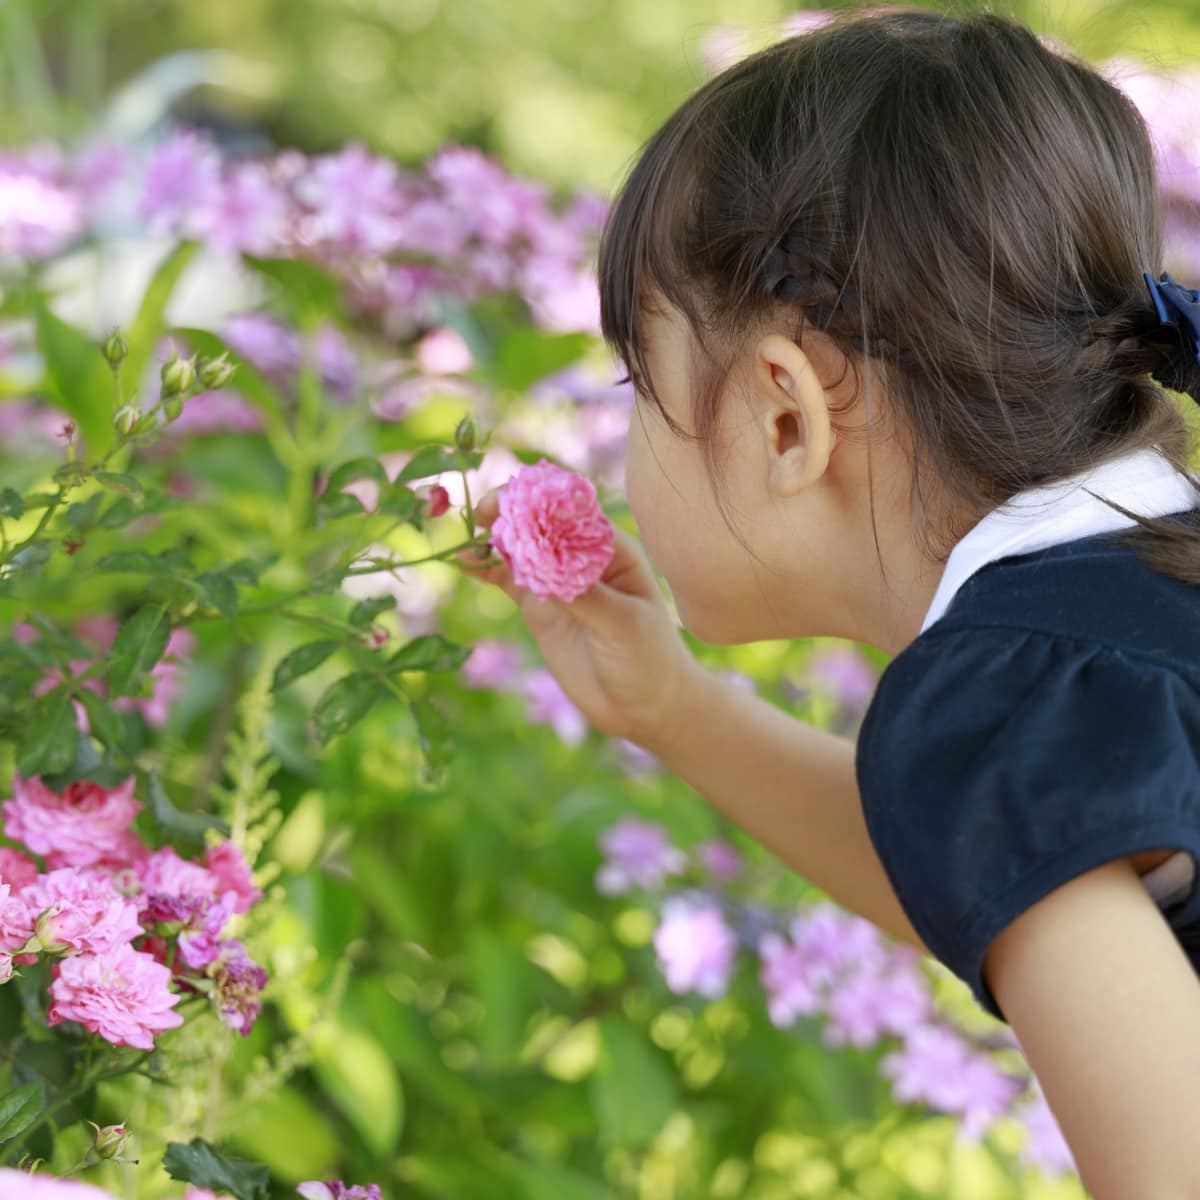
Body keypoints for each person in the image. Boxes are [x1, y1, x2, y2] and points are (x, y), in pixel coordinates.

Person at [460, 9, 1200, 1195]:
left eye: (635, 381)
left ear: (785, 416)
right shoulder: (1134, 605)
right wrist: (675, 710)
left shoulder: (1013, 696)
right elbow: (999, 865)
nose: (621, 438)